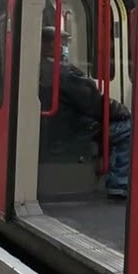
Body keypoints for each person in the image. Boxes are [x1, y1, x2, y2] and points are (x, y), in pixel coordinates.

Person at [39, 26, 131, 198]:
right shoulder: (64, 73)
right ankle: (120, 183)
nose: (64, 47)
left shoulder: (36, 68)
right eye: (61, 43)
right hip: (75, 127)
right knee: (128, 128)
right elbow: (95, 104)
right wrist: (123, 111)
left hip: (56, 124)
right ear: (50, 46)